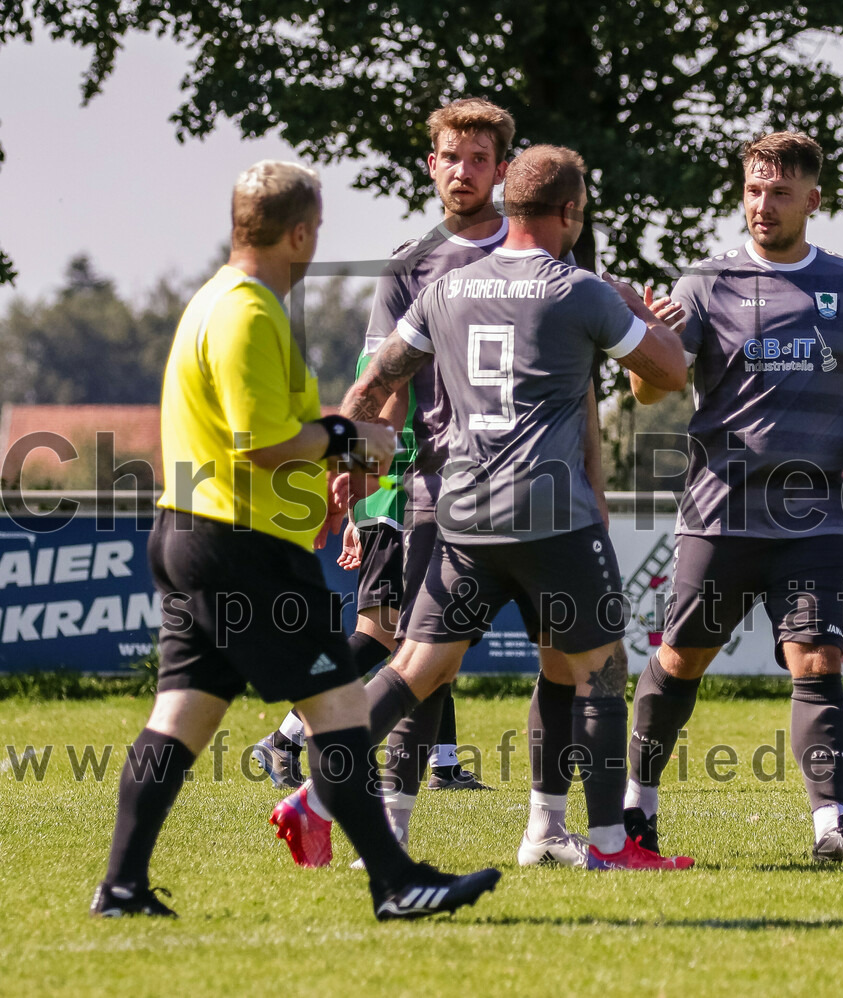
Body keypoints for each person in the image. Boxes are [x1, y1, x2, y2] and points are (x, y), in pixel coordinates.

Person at [89, 160, 500, 920]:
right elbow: (258, 439)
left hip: (193, 532)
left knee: (182, 714)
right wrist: (356, 436)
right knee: (340, 710)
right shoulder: (249, 312)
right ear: (301, 232)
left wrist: (333, 464)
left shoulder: (214, 299)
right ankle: (397, 883)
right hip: (243, 545)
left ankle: (121, 886)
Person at [269, 99, 614, 870]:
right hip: (439, 493)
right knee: (421, 666)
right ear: (432, 165)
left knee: (557, 662)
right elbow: (381, 383)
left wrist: (594, 486)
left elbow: (579, 386)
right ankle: (387, 827)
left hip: (549, 498)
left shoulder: (546, 250)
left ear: (503, 169)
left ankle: (546, 829)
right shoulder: (410, 264)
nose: (463, 171)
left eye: (480, 158)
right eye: (450, 157)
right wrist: (363, 486)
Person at [337, 144, 694, 870]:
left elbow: (372, 386)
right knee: (597, 668)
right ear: (571, 211)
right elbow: (670, 372)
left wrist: (347, 473)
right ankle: (606, 844)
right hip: (551, 514)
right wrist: (637, 312)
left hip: (461, 514)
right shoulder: (580, 290)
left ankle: (318, 792)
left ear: (510, 204)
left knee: (414, 669)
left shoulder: (448, 289)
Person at [624, 131, 843, 862]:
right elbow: (655, 389)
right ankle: (636, 807)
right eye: (753, 189)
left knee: (817, 660)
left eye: (779, 192)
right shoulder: (703, 285)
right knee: (681, 661)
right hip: (720, 511)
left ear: (812, 199)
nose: (762, 204)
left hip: (818, 515)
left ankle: (831, 826)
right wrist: (647, 344)